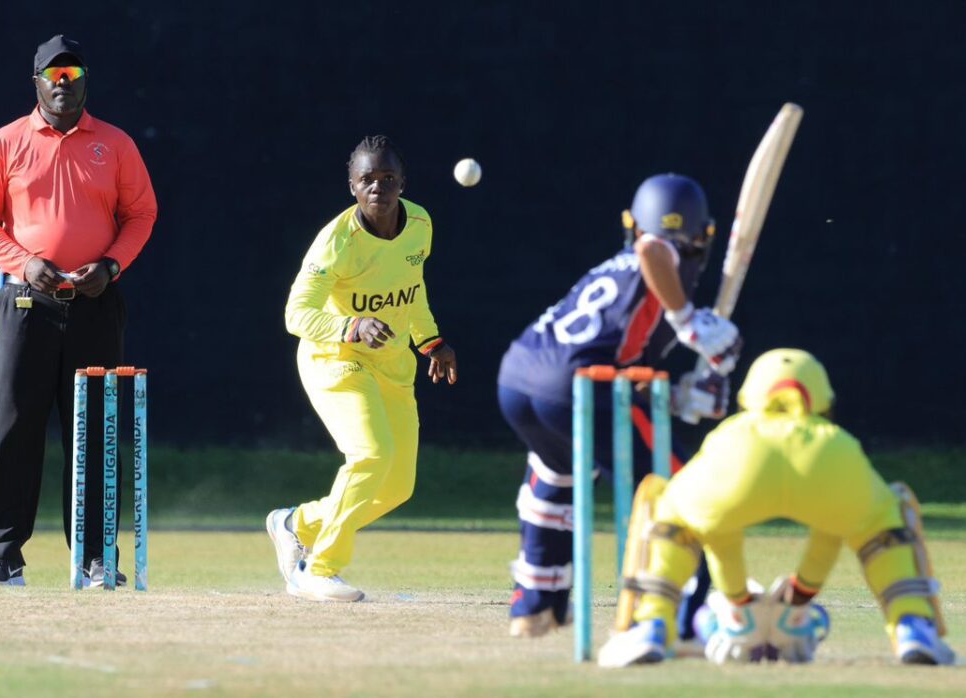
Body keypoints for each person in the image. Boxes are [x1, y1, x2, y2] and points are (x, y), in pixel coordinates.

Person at [598, 349, 955, 667]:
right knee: (885, 521)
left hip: (743, 455)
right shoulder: (838, 441)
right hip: (827, 458)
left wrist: (738, 599)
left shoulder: (730, 434)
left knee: (668, 509)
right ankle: (913, 627)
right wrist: (801, 595)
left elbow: (718, 532)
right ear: (823, 401)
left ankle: (650, 626)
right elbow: (831, 529)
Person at [498, 173, 741, 638]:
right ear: (702, 234)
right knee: (684, 489)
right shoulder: (657, 257)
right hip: (574, 388)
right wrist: (689, 320)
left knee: (555, 473)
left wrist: (680, 395)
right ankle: (686, 614)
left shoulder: (613, 271)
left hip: (517, 379)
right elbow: (655, 249)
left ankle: (535, 605)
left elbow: (623, 366)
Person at [0, 35, 157, 586]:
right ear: (37, 83)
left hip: (95, 301)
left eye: (72, 74)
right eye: (53, 75)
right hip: (26, 302)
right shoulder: (6, 142)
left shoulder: (114, 144)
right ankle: (2, 557)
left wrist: (112, 266)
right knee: (16, 426)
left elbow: (141, 214)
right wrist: (23, 262)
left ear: (85, 81)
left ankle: (96, 557)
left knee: (95, 430)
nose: (63, 84)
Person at [268, 135, 458, 602]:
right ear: (352, 186)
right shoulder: (335, 243)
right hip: (335, 359)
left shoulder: (420, 223)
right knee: (371, 457)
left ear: (402, 183)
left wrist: (430, 341)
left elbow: (410, 290)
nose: (379, 188)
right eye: (367, 180)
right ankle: (317, 568)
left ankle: (295, 523)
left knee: (396, 486)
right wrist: (351, 325)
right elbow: (296, 315)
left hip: (392, 365)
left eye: (388, 179)